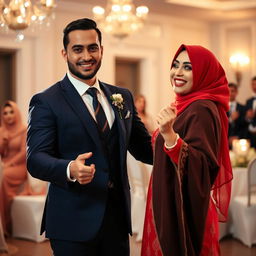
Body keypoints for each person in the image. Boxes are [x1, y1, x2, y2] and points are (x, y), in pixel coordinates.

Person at [26, 18, 153, 256]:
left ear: (101, 50)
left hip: (117, 220)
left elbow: (145, 149)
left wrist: (173, 140)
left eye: (92, 48)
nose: (87, 56)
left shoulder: (122, 96)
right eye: (78, 49)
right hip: (72, 222)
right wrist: (69, 169)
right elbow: (35, 159)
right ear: (64, 53)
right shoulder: (46, 101)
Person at [141, 44, 233, 256]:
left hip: (182, 206)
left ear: (203, 73)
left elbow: (204, 167)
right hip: (169, 195)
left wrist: (170, 136)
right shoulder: (184, 105)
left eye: (188, 67)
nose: (178, 72)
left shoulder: (202, 109)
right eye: (175, 65)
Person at [0, 100, 33, 236]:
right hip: (4, 164)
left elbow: (24, 152)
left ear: (17, 113)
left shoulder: (24, 129)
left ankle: (5, 223)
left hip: (19, 167)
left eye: (11, 112)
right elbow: (1, 153)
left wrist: (8, 164)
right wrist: (3, 142)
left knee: (4, 176)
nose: (8, 115)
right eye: (5, 113)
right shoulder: (2, 131)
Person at [227, 82, 247, 149]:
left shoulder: (243, 108)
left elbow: (245, 125)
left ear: (236, 92)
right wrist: (230, 119)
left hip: (240, 142)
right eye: (228, 91)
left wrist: (238, 137)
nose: (230, 93)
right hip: (225, 141)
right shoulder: (221, 108)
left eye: (232, 91)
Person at [245, 76, 256, 148]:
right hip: (251, 135)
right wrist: (248, 117)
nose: (254, 86)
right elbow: (246, 119)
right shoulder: (248, 101)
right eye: (253, 84)